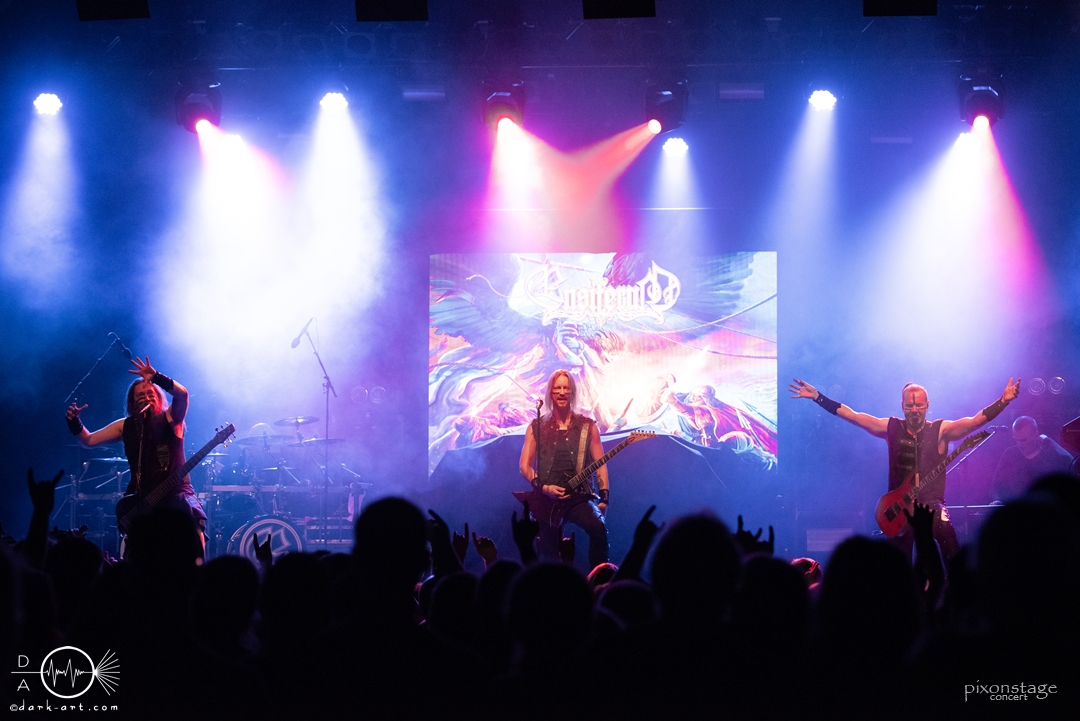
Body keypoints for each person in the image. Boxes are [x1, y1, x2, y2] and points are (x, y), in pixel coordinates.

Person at [789, 377, 1021, 562]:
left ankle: (956, 593)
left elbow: (975, 421)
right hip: (898, 508)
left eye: (919, 405)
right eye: (910, 405)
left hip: (931, 505)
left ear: (927, 405)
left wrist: (1003, 401)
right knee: (897, 564)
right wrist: (818, 397)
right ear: (902, 406)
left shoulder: (941, 430)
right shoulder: (891, 428)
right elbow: (853, 416)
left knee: (948, 540)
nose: (915, 410)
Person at [66, 356, 206, 552]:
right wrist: (74, 422)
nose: (145, 397)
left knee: (192, 531)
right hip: (145, 498)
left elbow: (182, 395)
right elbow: (88, 441)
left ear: (159, 397)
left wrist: (157, 377)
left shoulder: (171, 419)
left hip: (176, 494)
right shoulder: (126, 426)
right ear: (132, 403)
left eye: (150, 393)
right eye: (139, 396)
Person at [519, 369, 609, 569]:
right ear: (550, 393)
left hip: (579, 498)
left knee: (598, 528)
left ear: (572, 392)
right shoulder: (536, 427)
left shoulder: (588, 426)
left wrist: (605, 499)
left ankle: (600, 578)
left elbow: (601, 464)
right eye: (557, 388)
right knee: (547, 549)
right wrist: (544, 488)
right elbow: (524, 467)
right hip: (547, 500)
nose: (561, 392)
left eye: (566, 388)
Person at [990, 416, 1075, 501]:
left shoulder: (1050, 457)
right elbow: (997, 485)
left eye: (1023, 440)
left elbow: (1069, 461)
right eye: (1016, 440)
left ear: (1036, 435)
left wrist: (1047, 440)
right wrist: (999, 501)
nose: (1019, 444)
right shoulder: (1009, 454)